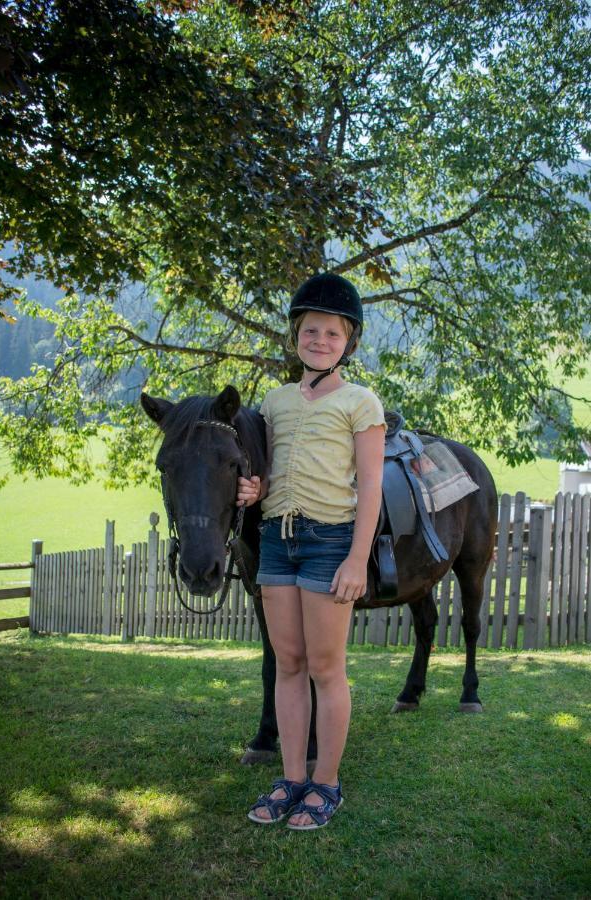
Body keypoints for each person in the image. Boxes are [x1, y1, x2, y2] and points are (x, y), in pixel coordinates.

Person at [237, 272, 386, 830]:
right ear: (295, 335)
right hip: (278, 542)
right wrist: (251, 490)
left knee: (326, 667)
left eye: (331, 333)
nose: (319, 340)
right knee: (289, 665)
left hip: (330, 543)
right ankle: (291, 778)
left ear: (348, 342)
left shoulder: (360, 402)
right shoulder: (273, 403)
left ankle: (327, 784)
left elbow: (369, 486)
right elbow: (265, 475)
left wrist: (355, 558)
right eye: (310, 330)